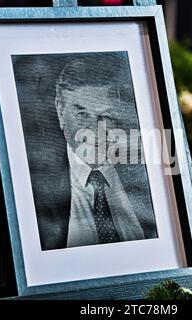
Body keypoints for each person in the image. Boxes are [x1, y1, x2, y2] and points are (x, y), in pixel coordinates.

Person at [40, 57, 158, 249]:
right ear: (60, 111)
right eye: (82, 115)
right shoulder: (36, 184)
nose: (94, 131)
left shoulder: (147, 173)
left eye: (106, 116)